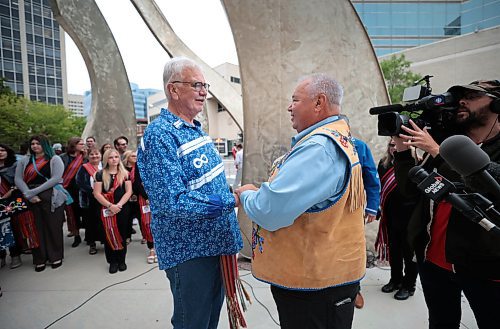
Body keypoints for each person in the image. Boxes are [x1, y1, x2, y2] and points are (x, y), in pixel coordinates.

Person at [236, 74, 366, 329]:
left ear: (319, 102)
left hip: (314, 286)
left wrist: (248, 194)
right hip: (324, 277)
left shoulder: (319, 148)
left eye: (295, 100)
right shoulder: (337, 138)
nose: (289, 107)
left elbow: (269, 210)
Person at [137, 57, 243, 329]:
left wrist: (235, 192)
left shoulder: (196, 131)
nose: (204, 91)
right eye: (196, 85)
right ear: (173, 90)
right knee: (192, 323)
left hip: (215, 245)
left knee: (209, 321)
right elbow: (172, 202)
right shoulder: (160, 135)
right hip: (190, 252)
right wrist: (231, 200)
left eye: (204, 85)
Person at [393, 80, 500, 328]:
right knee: (441, 323)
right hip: (433, 259)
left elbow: (487, 181)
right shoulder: (450, 140)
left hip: (483, 266)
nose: (462, 100)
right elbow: (411, 189)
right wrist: (401, 150)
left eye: (472, 96)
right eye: (459, 95)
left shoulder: (446, 147)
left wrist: (440, 152)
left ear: (496, 103)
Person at [14, 135, 66, 272]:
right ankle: (39, 258)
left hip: (51, 195)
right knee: (34, 229)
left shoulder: (54, 159)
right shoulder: (25, 160)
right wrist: (28, 194)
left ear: (45, 145)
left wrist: (35, 191)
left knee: (53, 227)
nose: (35, 146)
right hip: (30, 196)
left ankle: (55, 256)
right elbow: (18, 179)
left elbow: (56, 178)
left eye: (38, 143)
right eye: (33, 144)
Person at [375, 138, 418, 301]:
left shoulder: (414, 164)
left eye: (397, 145)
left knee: (409, 253)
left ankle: (409, 285)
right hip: (391, 215)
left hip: (410, 216)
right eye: (391, 145)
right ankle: (395, 280)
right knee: (394, 251)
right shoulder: (384, 164)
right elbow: (380, 188)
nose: (394, 148)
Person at [352, 137, 381, 309]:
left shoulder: (358, 146)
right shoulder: (314, 141)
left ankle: (354, 288)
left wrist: (372, 207)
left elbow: (371, 177)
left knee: (352, 250)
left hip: (351, 210)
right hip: (320, 212)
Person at [93, 149, 132, 274]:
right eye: (111, 157)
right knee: (108, 234)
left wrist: (119, 205)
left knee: (122, 234)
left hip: (122, 208)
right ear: (106, 159)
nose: (114, 159)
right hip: (107, 209)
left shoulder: (125, 173)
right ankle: (112, 261)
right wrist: (110, 206)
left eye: (116, 157)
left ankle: (122, 260)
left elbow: (129, 192)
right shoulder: (100, 174)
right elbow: (97, 193)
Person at [76, 147, 102, 255]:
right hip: (89, 199)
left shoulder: (104, 166)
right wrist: (93, 192)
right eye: (92, 154)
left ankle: (105, 241)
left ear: (100, 155)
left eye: (97, 154)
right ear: (88, 156)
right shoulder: (84, 168)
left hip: (104, 199)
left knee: (103, 221)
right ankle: (92, 244)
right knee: (90, 222)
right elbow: (80, 182)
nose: (94, 156)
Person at [60, 137, 86, 247]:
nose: (83, 145)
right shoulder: (63, 158)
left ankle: (89, 235)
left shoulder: (85, 157)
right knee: (72, 213)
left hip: (82, 188)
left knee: (85, 212)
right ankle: (76, 236)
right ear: (73, 145)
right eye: (80, 144)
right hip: (68, 189)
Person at [0, 143, 22, 269]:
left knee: (12, 228)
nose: (0, 152)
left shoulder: (14, 165)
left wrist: (10, 191)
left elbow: (19, 181)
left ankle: (15, 255)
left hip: (12, 200)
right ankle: (1, 256)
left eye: (2, 150)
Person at [122, 150, 138, 244]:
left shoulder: (139, 168)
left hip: (138, 195)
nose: (135, 158)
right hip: (126, 196)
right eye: (132, 156)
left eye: (136, 156)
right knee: (127, 218)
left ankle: (146, 236)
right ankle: (127, 236)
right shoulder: (123, 169)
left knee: (141, 217)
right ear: (127, 158)